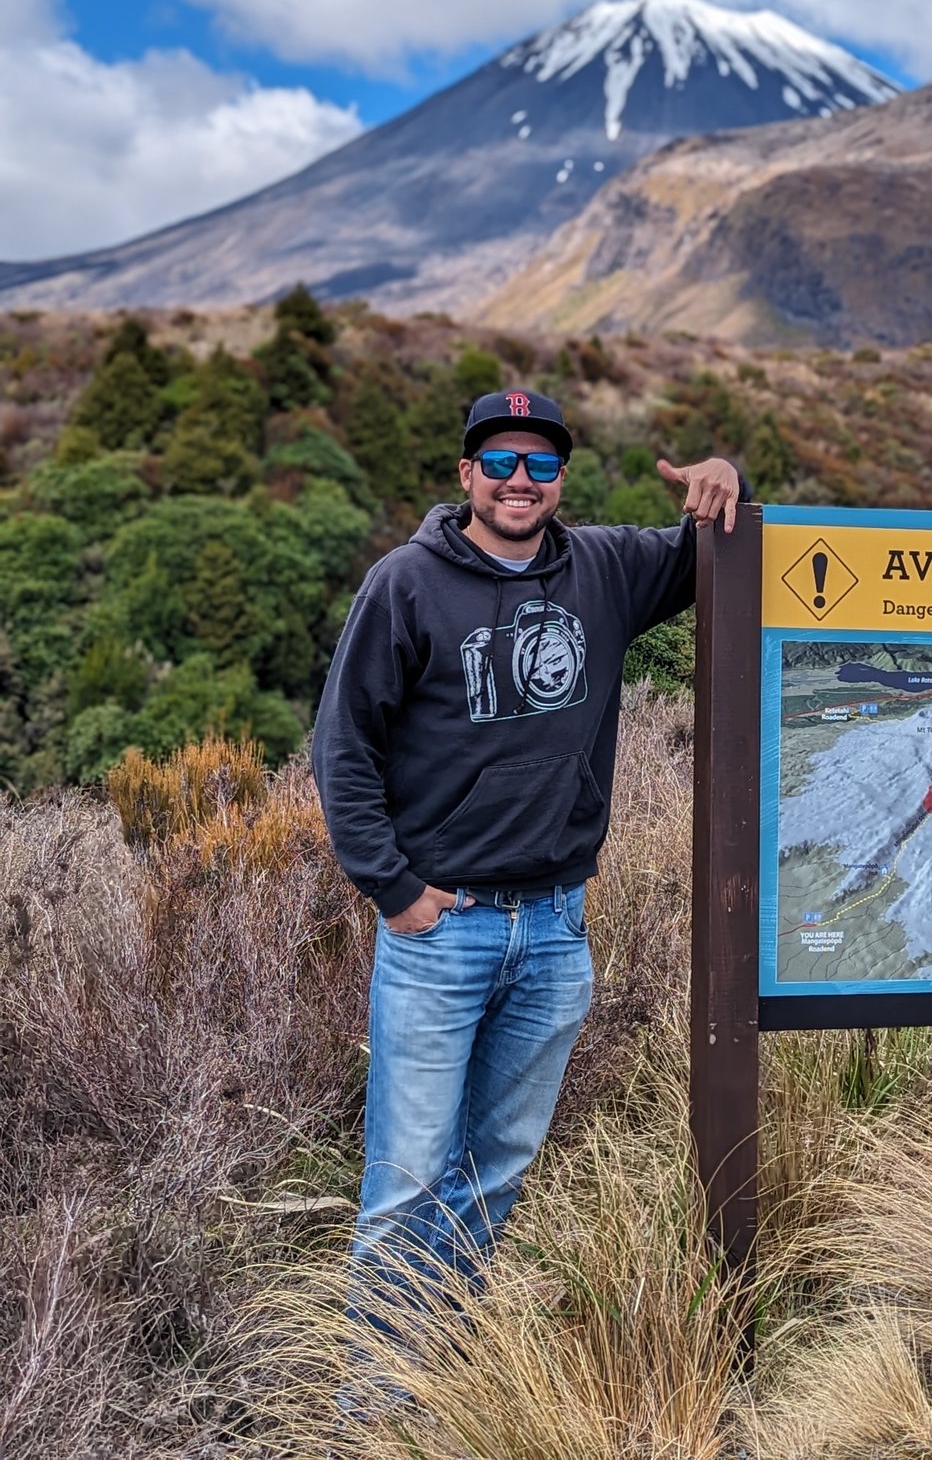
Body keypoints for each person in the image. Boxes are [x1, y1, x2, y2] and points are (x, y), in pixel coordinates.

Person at [311, 386, 746, 1344]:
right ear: (466, 474)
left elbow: (703, 545)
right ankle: (371, 1413)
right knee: (409, 1178)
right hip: (442, 929)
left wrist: (726, 478)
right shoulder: (406, 583)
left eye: (540, 463)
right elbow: (343, 745)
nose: (520, 479)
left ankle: (443, 1361)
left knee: (498, 1166)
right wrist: (394, 890)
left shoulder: (603, 568)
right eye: (500, 461)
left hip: (553, 928)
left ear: (560, 477)